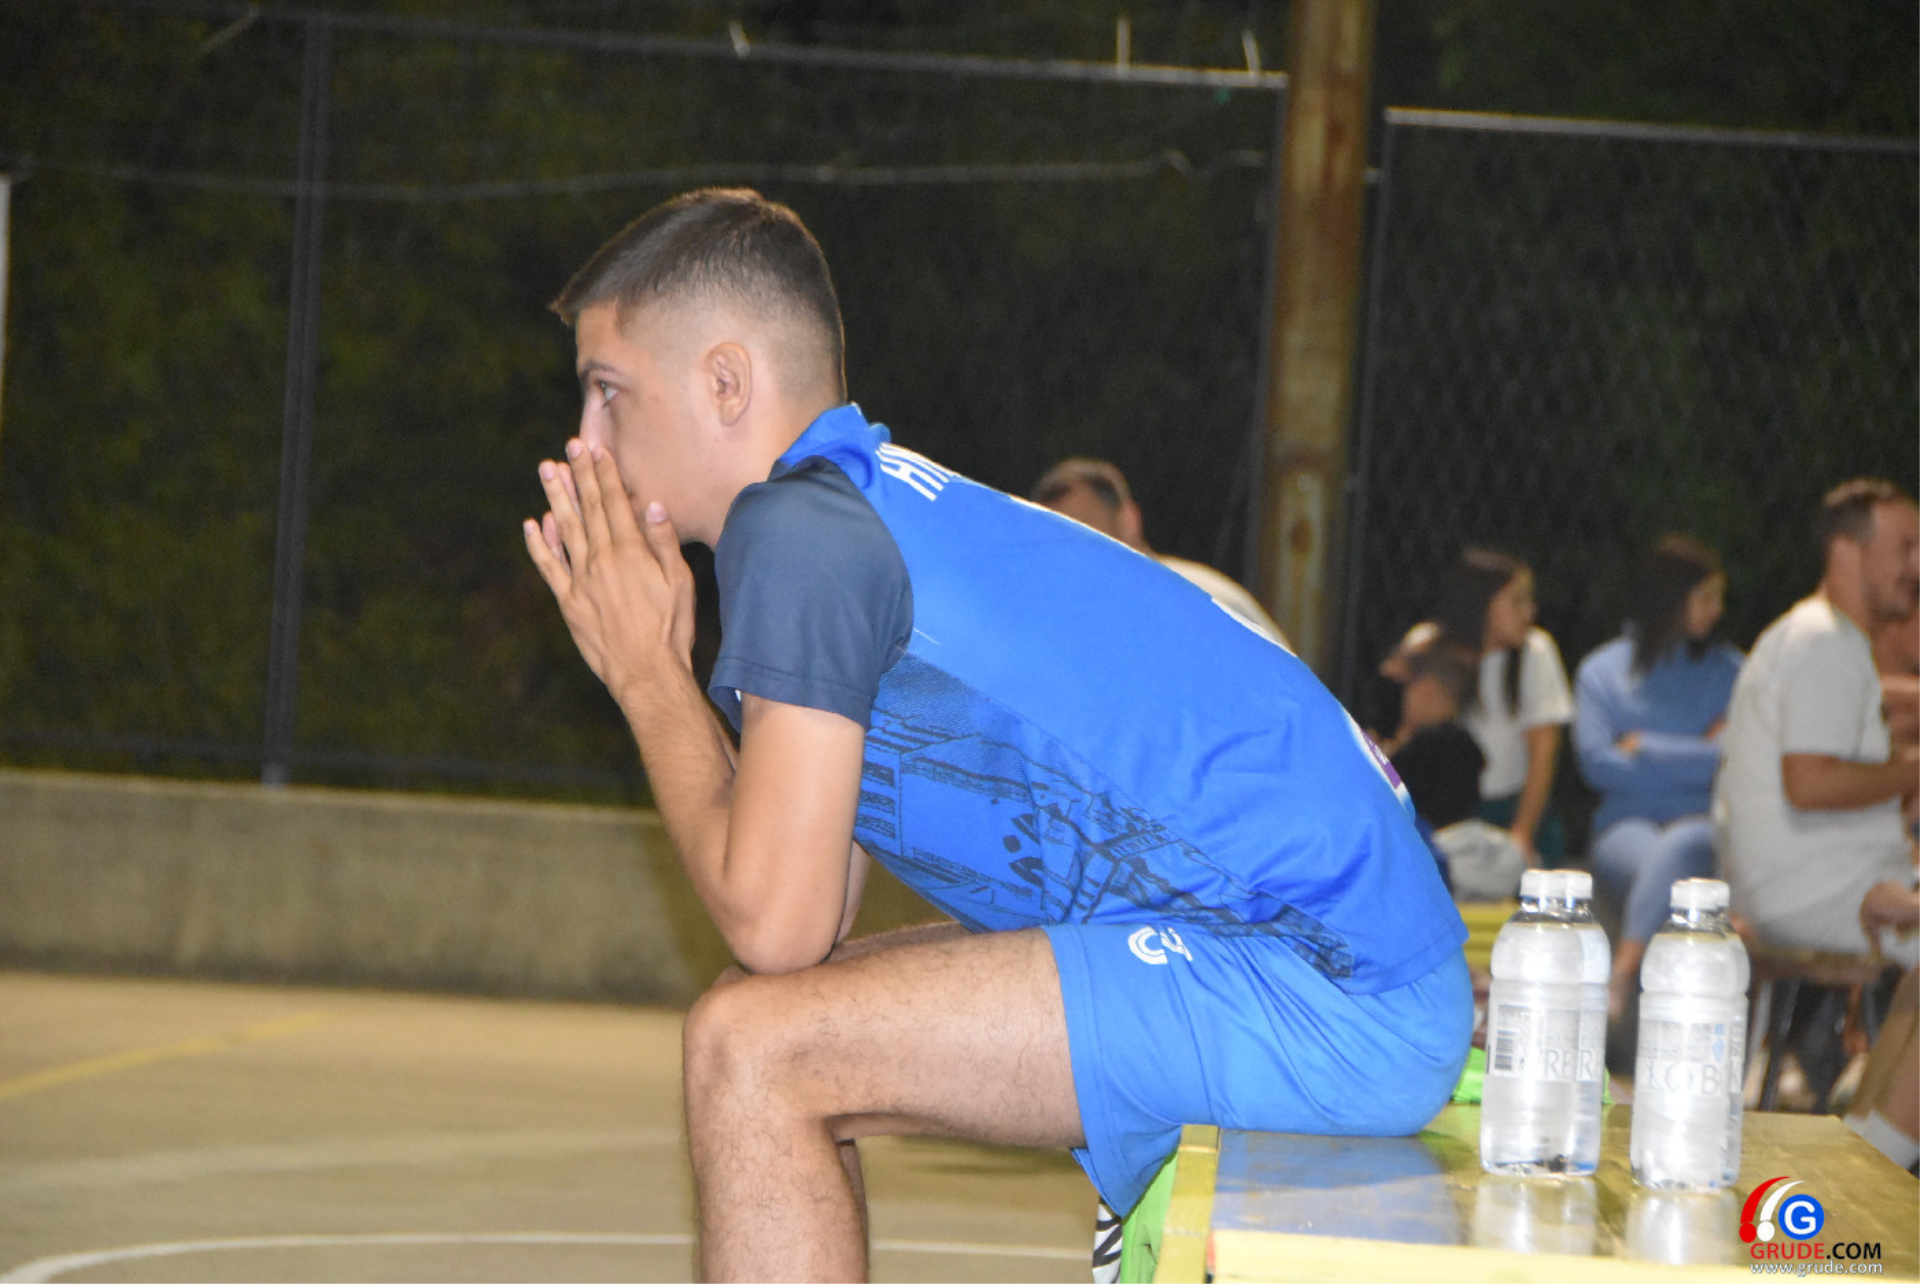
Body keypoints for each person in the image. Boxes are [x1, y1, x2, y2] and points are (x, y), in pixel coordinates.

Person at [521, 189, 1471, 1283]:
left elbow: (776, 923)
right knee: (760, 1021)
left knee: (751, 1049)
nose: (586, 440)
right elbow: (811, 912)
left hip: (1329, 985)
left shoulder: (799, 536)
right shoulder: (858, 516)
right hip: (1338, 965)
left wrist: (649, 679)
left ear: (725, 382)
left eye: (609, 392)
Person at [1713, 477, 1920, 967]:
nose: (1917, 567)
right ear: (1846, 550)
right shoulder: (1821, 639)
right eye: (1905, 547)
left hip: (1843, 883)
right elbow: (1809, 784)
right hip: (1821, 894)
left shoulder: (1830, 638)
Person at [1573, 535, 1742, 1018]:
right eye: (1706, 597)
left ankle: (1622, 973)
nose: (1717, 610)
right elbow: (1597, 765)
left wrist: (1645, 748)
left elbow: (1735, 760)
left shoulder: (1733, 672)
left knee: (1684, 842)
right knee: (1664, 861)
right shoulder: (1602, 672)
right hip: (1623, 827)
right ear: (1672, 598)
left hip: (1703, 823)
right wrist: (1700, 754)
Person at [1385, 548, 1573, 867]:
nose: (1529, 611)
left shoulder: (1535, 652)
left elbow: (1543, 751)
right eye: (1517, 601)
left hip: (1509, 810)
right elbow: (1405, 738)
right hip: (1438, 808)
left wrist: (1522, 833)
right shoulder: (1427, 646)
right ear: (1480, 602)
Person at [1031, 456, 1291, 648]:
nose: (1074, 549)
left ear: (1128, 521)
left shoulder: (1201, 601)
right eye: (1056, 537)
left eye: (1085, 529)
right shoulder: (1069, 623)